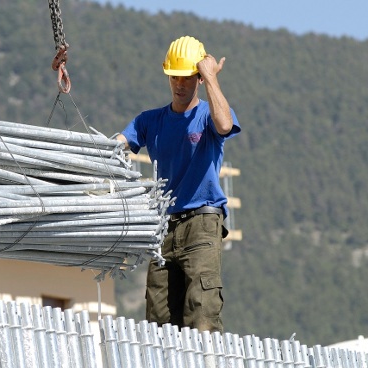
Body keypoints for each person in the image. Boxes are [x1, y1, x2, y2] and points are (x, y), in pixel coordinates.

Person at [116, 35, 241, 332]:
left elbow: (225, 125)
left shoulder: (208, 116)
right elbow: (117, 145)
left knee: (202, 313)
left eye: (186, 77)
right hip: (164, 227)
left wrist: (211, 77)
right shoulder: (151, 121)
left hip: (202, 223)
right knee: (159, 320)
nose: (179, 84)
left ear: (197, 78)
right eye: (174, 76)